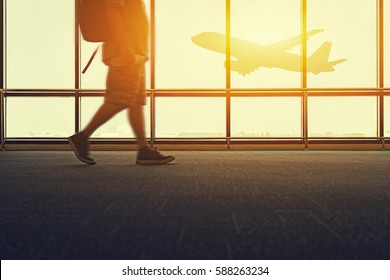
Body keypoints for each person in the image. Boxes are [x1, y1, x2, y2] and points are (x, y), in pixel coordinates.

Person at [69, 0, 174, 165]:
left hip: (135, 54)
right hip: (125, 54)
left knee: (135, 102)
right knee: (119, 99)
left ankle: (143, 149)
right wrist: (126, 46)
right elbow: (113, 12)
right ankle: (82, 137)